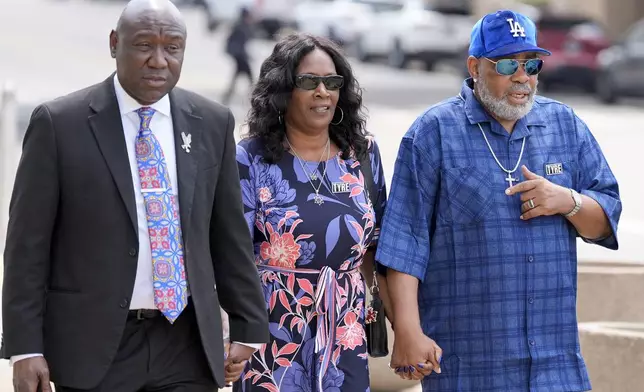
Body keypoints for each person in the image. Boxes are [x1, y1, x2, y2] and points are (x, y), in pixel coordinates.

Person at [1, 0, 269, 391]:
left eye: (172, 48)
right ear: (115, 43)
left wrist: (248, 325)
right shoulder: (60, 125)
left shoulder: (211, 123)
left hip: (187, 343)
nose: (158, 61)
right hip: (94, 346)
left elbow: (227, 234)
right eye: (144, 45)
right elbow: (27, 246)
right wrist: (25, 348)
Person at [376, 9, 622, 392]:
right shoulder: (432, 133)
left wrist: (567, 201)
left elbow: (606, 220)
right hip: (469, 363)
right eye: (508, 64)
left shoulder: (565, 126)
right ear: (475, 66)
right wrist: (407, 332)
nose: (523, 76)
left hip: (554, 364)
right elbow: (404, 243)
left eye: (532, 64)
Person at [234, 33, 391, 391]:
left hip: (345, 332)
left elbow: (378, 247)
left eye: (332, 82)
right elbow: (232, 255)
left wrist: (400, 322)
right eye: (309, 82)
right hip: (272, 336)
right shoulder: (250, 158)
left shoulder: (362, 156)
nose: (323, 92)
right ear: (283, 90)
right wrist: (231, 331)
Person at [222, 7, 254, 105]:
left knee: (236, 78)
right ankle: (256, 98)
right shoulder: (242, 27)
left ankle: (226, 98)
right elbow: (240, 44)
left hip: (238, 56)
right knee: (250, 78)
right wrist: (245, 56)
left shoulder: (239, 25)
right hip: (240, 57)